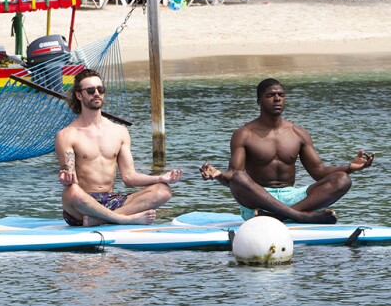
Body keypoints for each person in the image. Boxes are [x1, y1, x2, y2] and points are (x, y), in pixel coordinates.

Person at [199, 78, 374, 224]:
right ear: (259, 100)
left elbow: (319, 172)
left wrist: (350, 167)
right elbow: (234, 177)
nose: (277, 99)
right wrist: (217, 175)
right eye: (271, 95)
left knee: (342, 179)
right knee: (239, 177)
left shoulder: (298, 133)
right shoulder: (244, 134)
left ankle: (278, 216)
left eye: (281, 95)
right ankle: (299, 216)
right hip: (258, 201)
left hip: (292, 197)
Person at [55, 69, 183, 227]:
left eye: (100, 89)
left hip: (110, 200)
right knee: (72, 191)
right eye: (90, 90)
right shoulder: (67, 134)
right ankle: (124, 219)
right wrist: (66, 178)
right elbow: (70, 175)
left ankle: (103, 218)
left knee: (163, 190)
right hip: (82, 205)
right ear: (79, 95)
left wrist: (160, 178)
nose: (96, 93)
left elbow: (129, 177)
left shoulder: (119, 132)